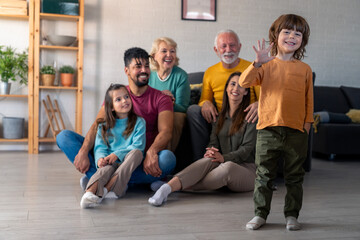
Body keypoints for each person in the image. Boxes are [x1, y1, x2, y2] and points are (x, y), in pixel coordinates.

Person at [56, 47, 176, 191]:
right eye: (138, 67)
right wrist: (83, 152)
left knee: (168, 159)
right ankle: (119, 181)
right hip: (109, 159)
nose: (144, 70)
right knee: (64, 137)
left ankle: (99, 179)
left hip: (139, 160)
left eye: (146, 66)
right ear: (127, 71)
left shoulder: (162, 98)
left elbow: (166, 131)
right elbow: (98, 124)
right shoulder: (117, 95)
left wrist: (151, 152)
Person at [238, 14, 313, 231]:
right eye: (287, 32)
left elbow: (309, 100)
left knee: (294, 176)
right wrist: (256, 63)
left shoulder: (304, 69)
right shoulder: (265, 65)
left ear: (302, 40)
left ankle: (292, 215)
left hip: (296, 131)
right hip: (268, 130)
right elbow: (244, 82)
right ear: (275, 35)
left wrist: (307, 125)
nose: (292, 36)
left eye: (297, 33)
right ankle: (260, 214)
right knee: (264, 175)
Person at [148, 72, 257, 206]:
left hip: (248, 169)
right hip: (222, 164)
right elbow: (213, 142)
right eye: (233, 84)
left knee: (227, 167)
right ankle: (166, 189)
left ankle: (177, 186)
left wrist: (223, 158)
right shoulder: (219, 117)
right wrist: (211, 152)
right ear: (227, 88)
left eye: (241, 86)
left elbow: (246, 150)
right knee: (208, 159)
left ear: (246, 92)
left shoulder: (250, 116)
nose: (236, 89)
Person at [187, 29, 260, 160]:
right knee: (193, 110)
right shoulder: (210, 72)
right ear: (216, 50)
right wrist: (206, 103)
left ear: (239, 47)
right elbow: (204, 100)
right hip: (219, 120)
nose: (228, 49)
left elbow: (264, 99)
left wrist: (259, 104)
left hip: (246, 119)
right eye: (223, 46)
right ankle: (203, 160)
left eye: (232, 45)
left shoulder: (252, 68)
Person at [80, 84, 146, 208]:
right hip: (110, 161)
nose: (125, 101)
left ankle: (109, 190)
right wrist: (100, 159)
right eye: (118, 99)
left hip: (128, 161)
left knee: (137, 153)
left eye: (126, 97)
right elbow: (100, 147)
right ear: (111, 107)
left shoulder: (139, 122)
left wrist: (117, 154)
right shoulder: (103, 125)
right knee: (105, 169)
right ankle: (88, 194)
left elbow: (138, 146)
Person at [149, 37, 190, 152]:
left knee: (176, 117)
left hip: (173, 113)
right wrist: (159, 99)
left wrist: (168, 102)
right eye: (164, 51)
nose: (169, 55)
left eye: (172, 51)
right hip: (152, 111)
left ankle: (164, 157)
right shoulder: (148, 74)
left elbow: (183, 108)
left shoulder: (181, 75)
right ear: (154, 56)